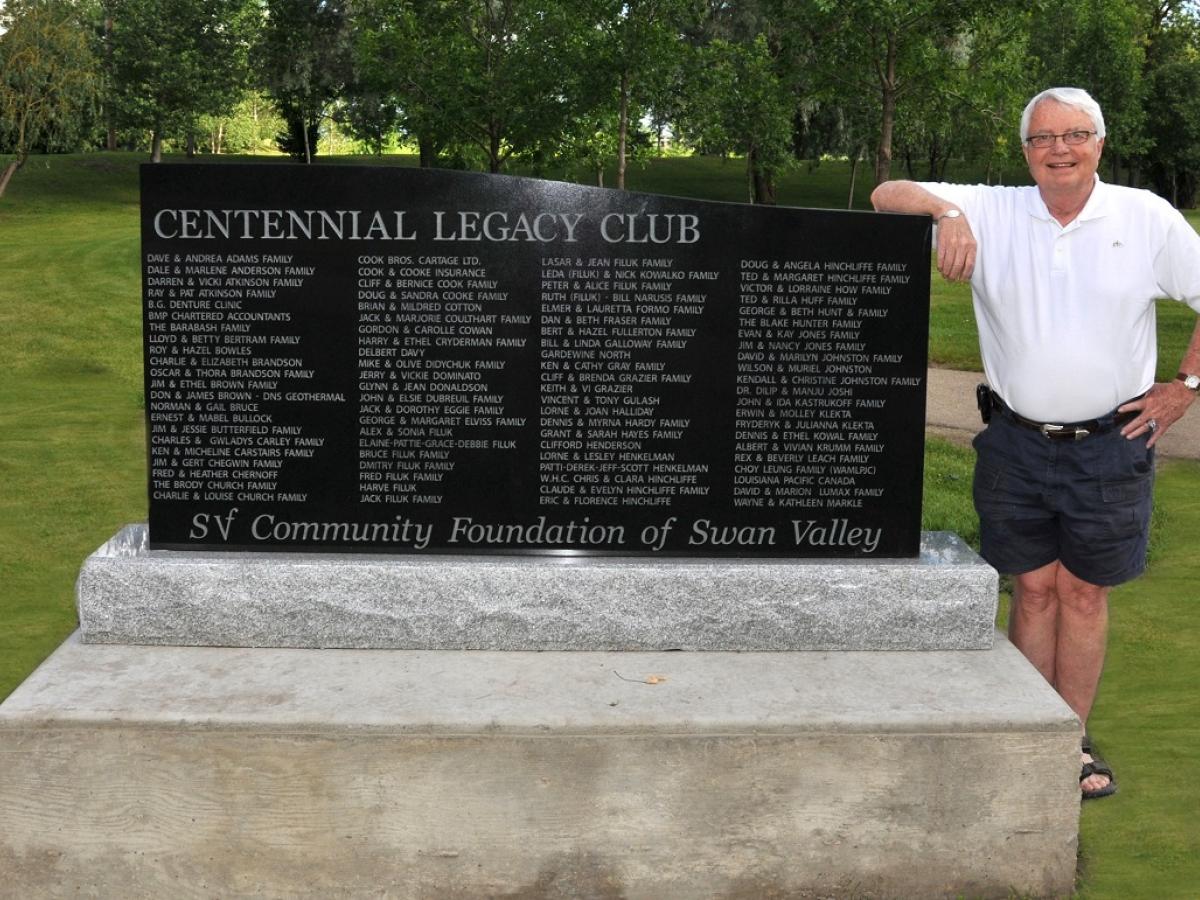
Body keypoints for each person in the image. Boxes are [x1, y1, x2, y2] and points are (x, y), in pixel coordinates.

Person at [871, 87, 1200, 800]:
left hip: (1111, 444)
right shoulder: (990, 207)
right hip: (1016, 442)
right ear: (1025, 151)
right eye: (1043, 137)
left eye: (1076, 134)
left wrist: (1187, 385)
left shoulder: (1144, 217)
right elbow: (885, 193)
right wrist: (947, 210)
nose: (1060, 148)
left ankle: (1072, 741)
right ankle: (1028, 730)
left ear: (1100, 144)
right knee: (1033, 590)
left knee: (1081, 595)